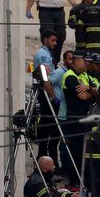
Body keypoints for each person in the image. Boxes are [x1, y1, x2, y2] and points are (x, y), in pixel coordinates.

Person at [61, 50, 98, 185]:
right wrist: (93, 93)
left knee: (84, 152)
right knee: (76, 152)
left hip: (84, 118)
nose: (87, 63)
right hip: (74, 120)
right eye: (85, 60)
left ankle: (81, 181)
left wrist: (91, 90)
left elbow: (98, 90)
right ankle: (74, 182)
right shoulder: (70, 76)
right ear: (77, 60)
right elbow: (83, 96)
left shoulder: (84, 76)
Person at [32, 31, 62, 160]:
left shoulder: (46, 54)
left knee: (48, 127)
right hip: (47, 95)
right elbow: (46, 74)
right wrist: (53, 96)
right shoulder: (43, 55)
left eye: (56, 41)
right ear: (45, 40)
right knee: (47, 126)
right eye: (52, 40)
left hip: (47, 93)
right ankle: (43, 156)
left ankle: (45, 156)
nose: (55, 43)